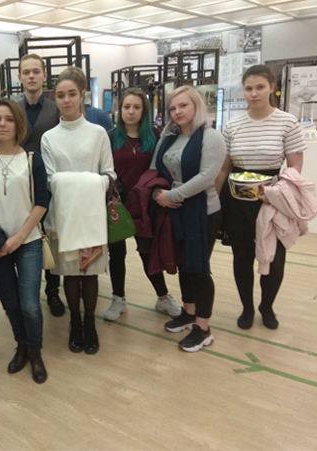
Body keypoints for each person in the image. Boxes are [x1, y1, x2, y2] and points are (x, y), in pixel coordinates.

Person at [216, 65, 306, 330]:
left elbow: (295, 169)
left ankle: (267, 307)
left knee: (275, 260)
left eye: (260, 87)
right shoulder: (233, 126)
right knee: (242, 257)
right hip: (238, 199)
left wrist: (276, 194)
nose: (254, 93)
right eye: (248, 88)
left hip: (273, 200)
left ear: (272, 88)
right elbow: (224, 168)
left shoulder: (287, 123)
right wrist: (214, 199)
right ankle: (246, 307)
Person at [41, 67, 116, 355]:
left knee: (90, 272)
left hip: (92, 215)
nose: (66, 100)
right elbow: (50, 179)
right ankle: (75, 321)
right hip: (64, 215)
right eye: (60, 95)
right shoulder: (49, 138)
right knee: (70, 273)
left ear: (82, 94)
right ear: (55, 98)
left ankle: (90, 323)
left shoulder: (98, 133)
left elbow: (109, 174)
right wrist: (86, 181)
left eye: (72, 94)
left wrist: (92, 182)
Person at [0, 98, 49, 383]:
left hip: (27, 241)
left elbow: (42, 202)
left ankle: (36, 351)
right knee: (11, 303)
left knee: (30, 304)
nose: (2, 124)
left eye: (7, 119)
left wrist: (19, 237)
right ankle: (22, 346)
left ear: (18, 124)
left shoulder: (32, 160)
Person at [150, 86, 226, 352]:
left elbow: (207, 176)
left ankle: (203, 329)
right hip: (175, 210)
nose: (177, 112)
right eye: (172, 108)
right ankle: (189, 312)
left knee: (198, 268)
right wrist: (158, 192)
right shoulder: (168, 137)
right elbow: (154, 168)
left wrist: (172, 195)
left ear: (196, 106)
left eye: (183, 106)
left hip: (203, 212)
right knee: (184, 264)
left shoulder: (211, 137)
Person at [103, 88, 181, 321]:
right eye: (127, 107)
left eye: (136, 107)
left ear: (144, 111)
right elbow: (105, 169)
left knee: (147, 252)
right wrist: (117, 193)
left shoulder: (155, 136)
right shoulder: (110, 137)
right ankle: (118, 298)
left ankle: (163, 297)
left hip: (146, 205)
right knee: (117, 253)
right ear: (120, 110)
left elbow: (161, 169)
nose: (131, 111)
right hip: (117, 204)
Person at [17, 54, 65, 318]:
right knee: (24, 238)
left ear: (45, 76)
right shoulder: (12, 109)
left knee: (50, 237)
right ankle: (27, 293)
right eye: (26, 72)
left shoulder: (56, 109)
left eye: (36, 71)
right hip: (20, 186)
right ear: (20, 77)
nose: (31, 76)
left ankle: (53, 291)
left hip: (49, 185)